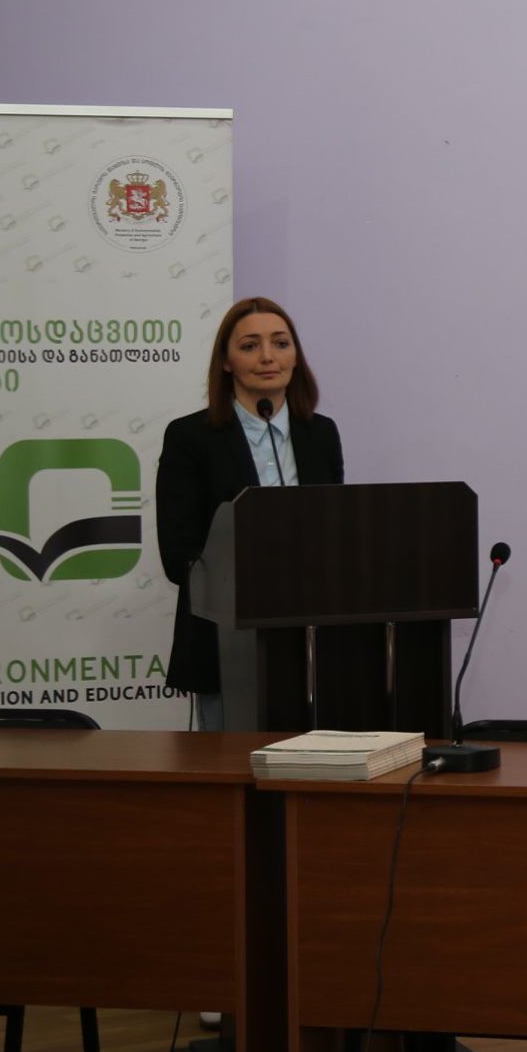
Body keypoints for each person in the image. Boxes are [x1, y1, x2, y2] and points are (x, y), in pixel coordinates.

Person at [157, 296, 345, 732]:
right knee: (230, 763)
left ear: (295, 356)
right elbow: (179, 553)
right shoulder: (190, 437)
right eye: (249, 346)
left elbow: (336, 532)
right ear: (226, 362)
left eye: (280, 343)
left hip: (311, 637)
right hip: (225, 641)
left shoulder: (320, 434)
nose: (267, 357)